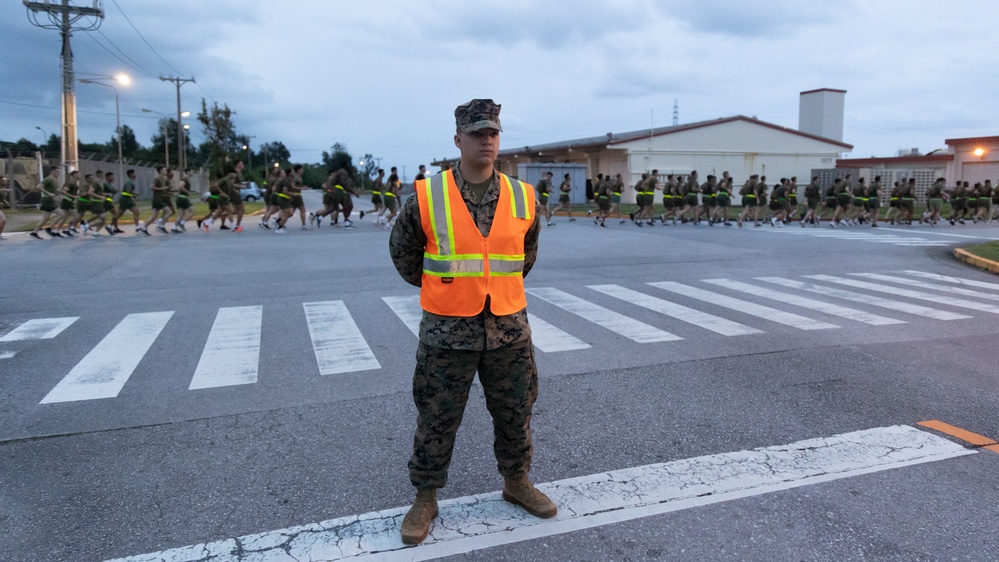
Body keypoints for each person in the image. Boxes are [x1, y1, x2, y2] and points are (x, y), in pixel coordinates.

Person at [389, 99, 555, 545]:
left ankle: (516, 481)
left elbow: (524, 257)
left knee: (516, 412)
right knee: (436, 418)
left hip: (508, 329)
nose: (487, 140)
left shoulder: (523, 197)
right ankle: (425, 497)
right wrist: (443, 287)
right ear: (458, 139)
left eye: (494, 133)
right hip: (448, 331)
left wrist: (495, 290)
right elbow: (403, 253)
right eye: (478, 132)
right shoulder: (428, 194)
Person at [30, 166, 61, 239]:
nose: (58, 173)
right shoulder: (48, 179)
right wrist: (49, 193)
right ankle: (49, 228)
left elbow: (54, 190)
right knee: (61, 213)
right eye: (57, 172)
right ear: (53, 171)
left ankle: (34, 232)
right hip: (47, 200)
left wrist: (61, 192)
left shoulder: (54, 180)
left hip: (51, 200)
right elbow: (39, 186)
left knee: (46, 218)